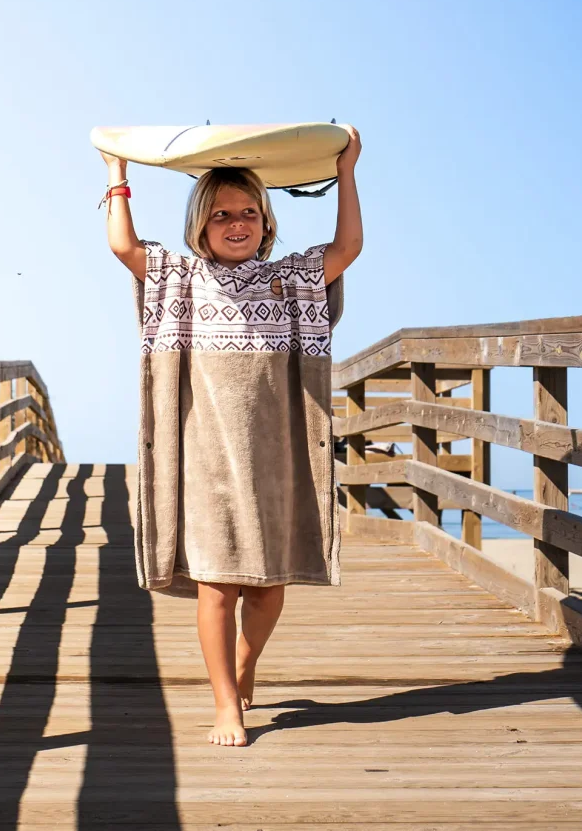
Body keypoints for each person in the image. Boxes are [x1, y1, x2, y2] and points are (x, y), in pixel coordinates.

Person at [100, 126, 363, 747]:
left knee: (268, 590)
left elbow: (348, 245)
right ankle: (226, 704)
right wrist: (116, 172)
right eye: (222, 214)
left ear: (267, 224)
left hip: (274, 461)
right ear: (201, 225)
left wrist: (347, 169)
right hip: (206, 460)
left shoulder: (291, 280)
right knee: (217, 585)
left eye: (249, 213)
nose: (236, 222)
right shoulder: (181, 279)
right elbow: (123, 246)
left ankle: (247, 663)